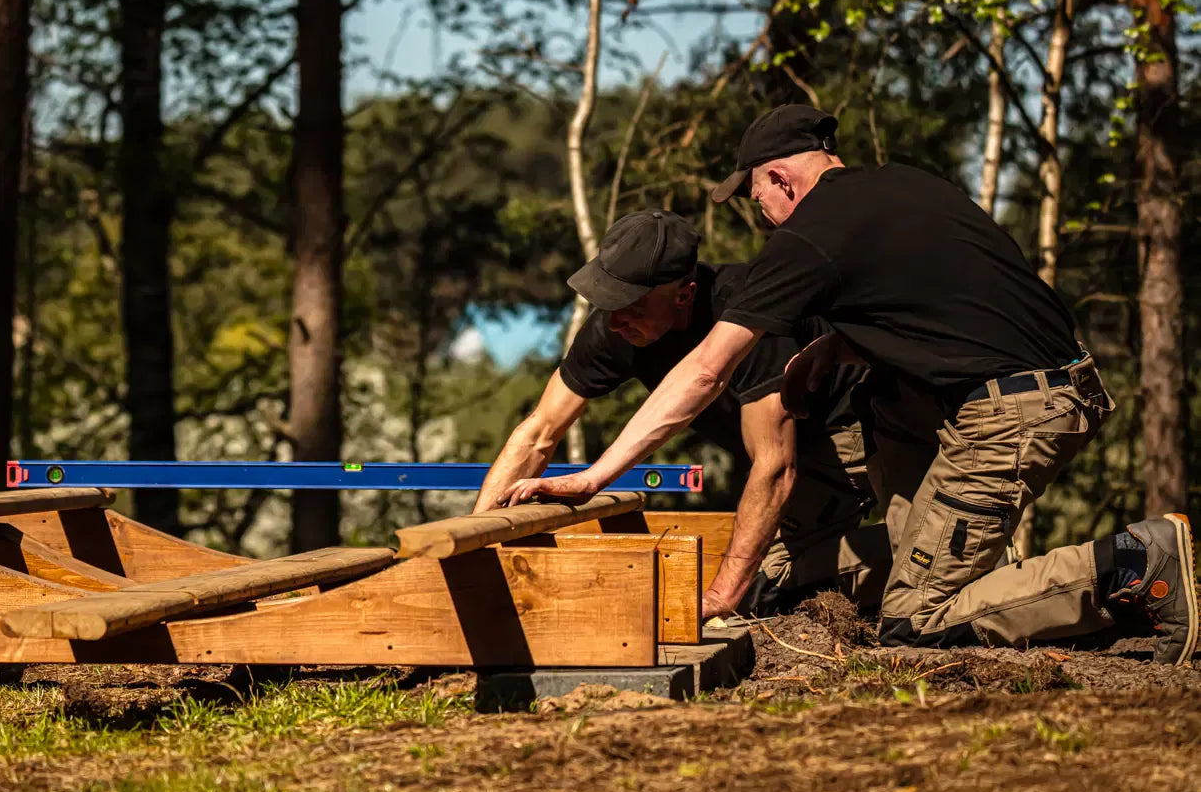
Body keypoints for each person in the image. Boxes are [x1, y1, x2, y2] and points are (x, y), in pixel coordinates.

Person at [499, 105, 1195, 663]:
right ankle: (960, 564)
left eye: (755, 195)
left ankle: (1133, 564)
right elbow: (952, 302)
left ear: (779, 179)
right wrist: (835, 347)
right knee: (876, 557)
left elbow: (706, 372)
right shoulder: (907, 187)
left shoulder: (809, 235)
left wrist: (592, 478)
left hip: (1012, 409)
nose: (759, 212)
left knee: (914, 626)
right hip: (1029, 384)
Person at [474, 209, 887, 617]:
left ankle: (928, 554)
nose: (615, 320)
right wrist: (474, 540)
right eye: (607, 301)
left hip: (857, 429)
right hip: (793, 452)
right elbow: (538, 432)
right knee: (772, 589)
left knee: (770, 592)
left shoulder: (750, 311)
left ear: (683, 294)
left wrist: (722, 594)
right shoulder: (613, 331)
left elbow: (776, 466)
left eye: (630, 304)